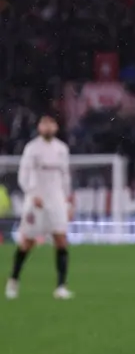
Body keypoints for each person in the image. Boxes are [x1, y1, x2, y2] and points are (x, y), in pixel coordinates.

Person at [5, 115, 74, 300]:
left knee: (61, 240)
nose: (48, 127)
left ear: (56, 127)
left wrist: (68, 201)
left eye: (51, 123)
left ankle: (61, 286)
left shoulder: (62, 149)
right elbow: (23, 175)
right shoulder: (32, 148)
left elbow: (66, 177)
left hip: (57, 200)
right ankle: (13, 280)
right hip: (36, 200)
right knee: (27, 243)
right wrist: (32, 193)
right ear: (39, 127)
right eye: (45, 124)